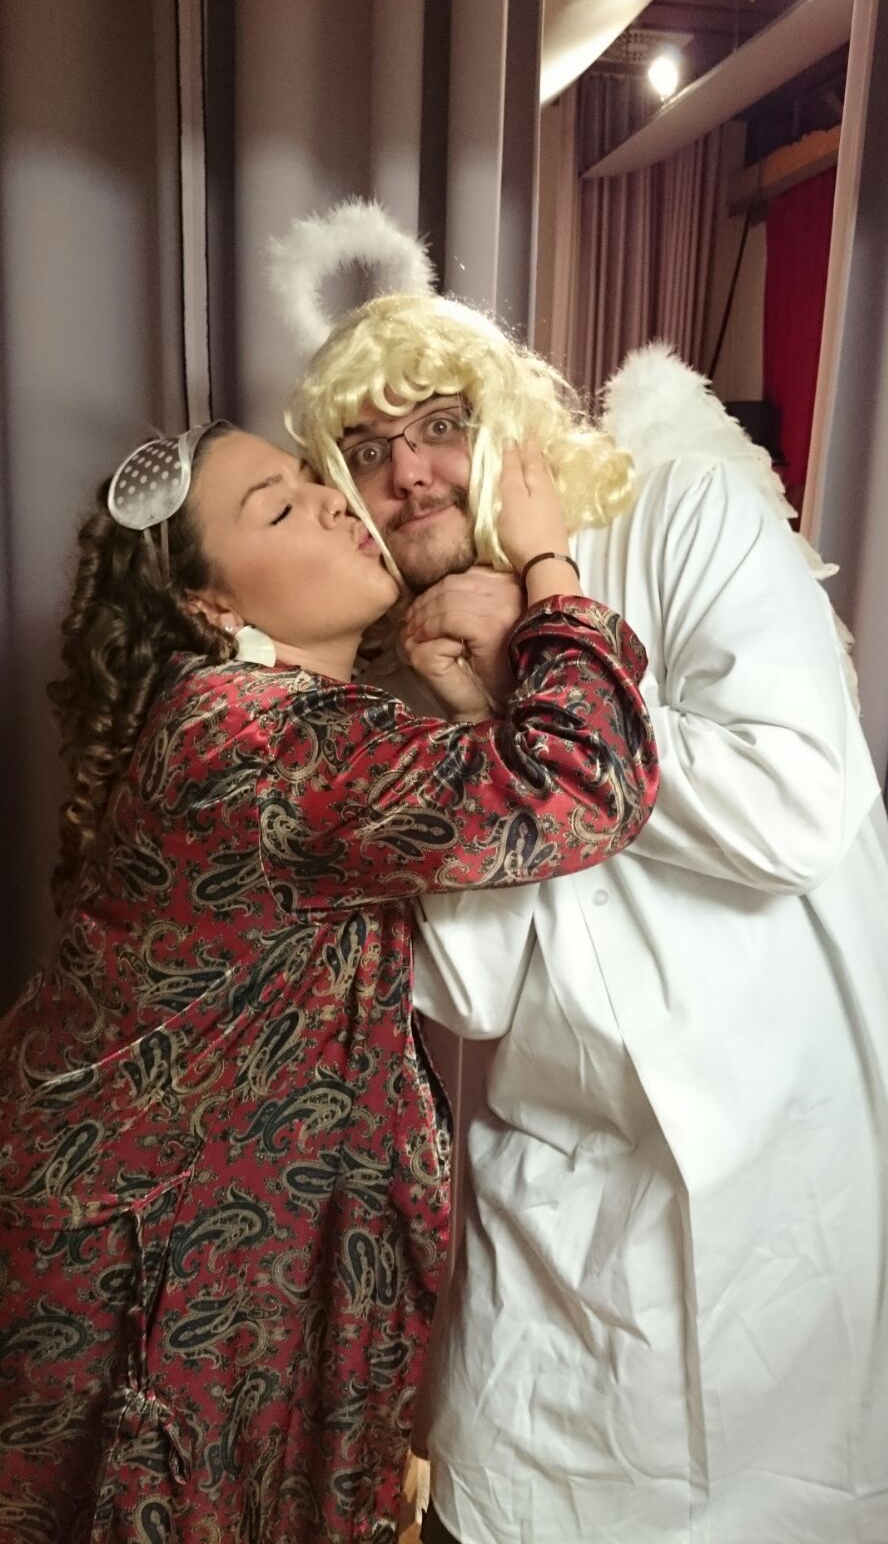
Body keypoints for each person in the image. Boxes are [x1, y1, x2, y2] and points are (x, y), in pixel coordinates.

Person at [293, 296, 888, 1544]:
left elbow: (792, 804)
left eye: (441, 424)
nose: (408, 472)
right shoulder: (401, 668)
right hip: (560, 1210)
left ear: (511, 430)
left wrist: (543, 657)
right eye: (365, 451)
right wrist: (477, 727)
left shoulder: (680, 514)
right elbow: (469, 994)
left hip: (788, 1179)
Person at [0, 421, 659, 1544]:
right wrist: (547, 564)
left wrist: (467, 692)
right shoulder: (245, 736)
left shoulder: (286, 730)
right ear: (211, 606)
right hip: (140, 1283)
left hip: (192, 1259)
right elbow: (578, 778)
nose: (328, 500)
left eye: (311, 478)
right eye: (276, 505)